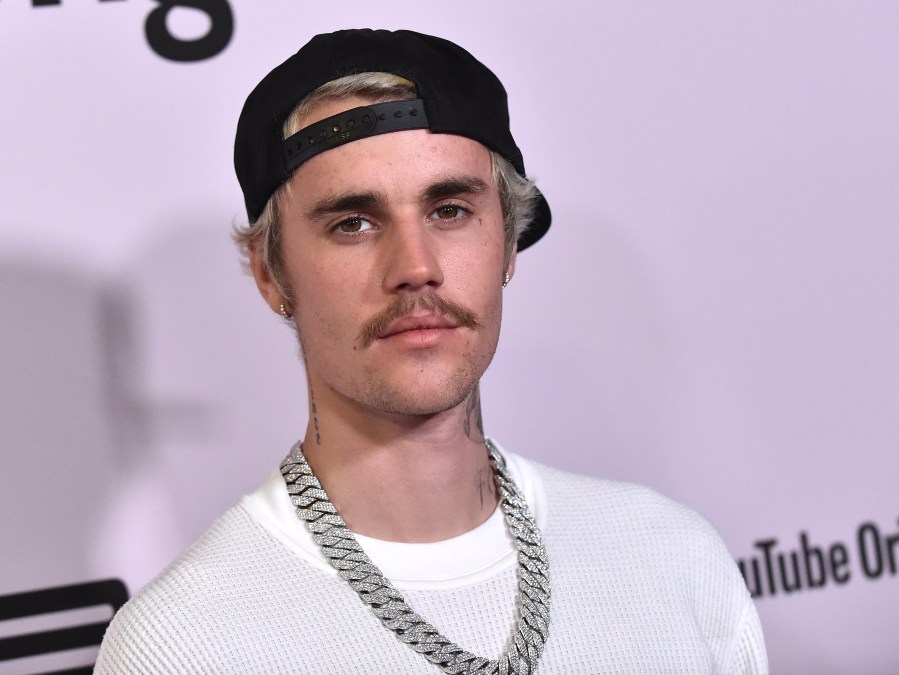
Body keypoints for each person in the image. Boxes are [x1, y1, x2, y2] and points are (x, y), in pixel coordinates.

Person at [95, 29, 767, 674]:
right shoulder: (182, 647)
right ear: (271, 274)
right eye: (352, 223)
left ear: (505, 244)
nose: (414, 267)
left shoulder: (673, 560)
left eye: (448, 210)